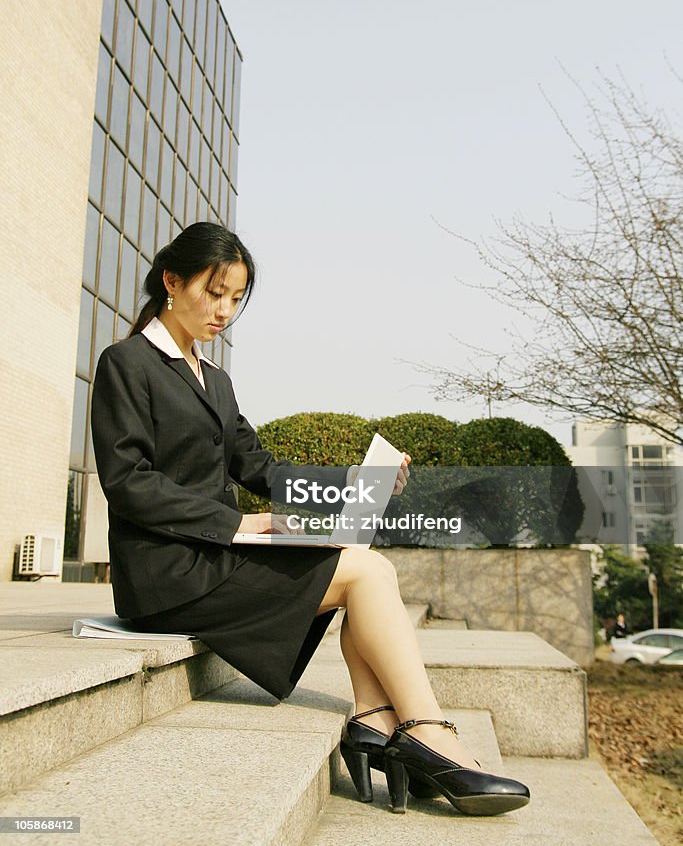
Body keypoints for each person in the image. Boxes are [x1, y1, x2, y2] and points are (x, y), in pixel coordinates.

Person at [90, 221, 529, 817]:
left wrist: (354, 480)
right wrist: (239, 527)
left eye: (237, 298)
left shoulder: (213, 379)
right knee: (366, 574)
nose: (225, 310)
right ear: (172, 281)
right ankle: (423, 732)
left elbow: (258, 466)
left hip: (216, 558)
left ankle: (380, 722)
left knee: (368, 570)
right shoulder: (126, 363)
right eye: (213, 292)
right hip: (169, 572)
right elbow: (128, 483)